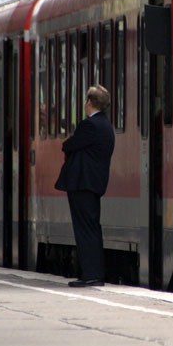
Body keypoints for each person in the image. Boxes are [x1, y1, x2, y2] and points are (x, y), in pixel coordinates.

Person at [54, 85, 116, 287]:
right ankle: (94, 273)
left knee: (84, 229)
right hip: (92, 184)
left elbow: (69, 145)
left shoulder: (90, 125)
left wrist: (67, 146)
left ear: (89, 102)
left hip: (83, 184)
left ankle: (91, 275)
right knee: (91, 228)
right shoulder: (105, 125)